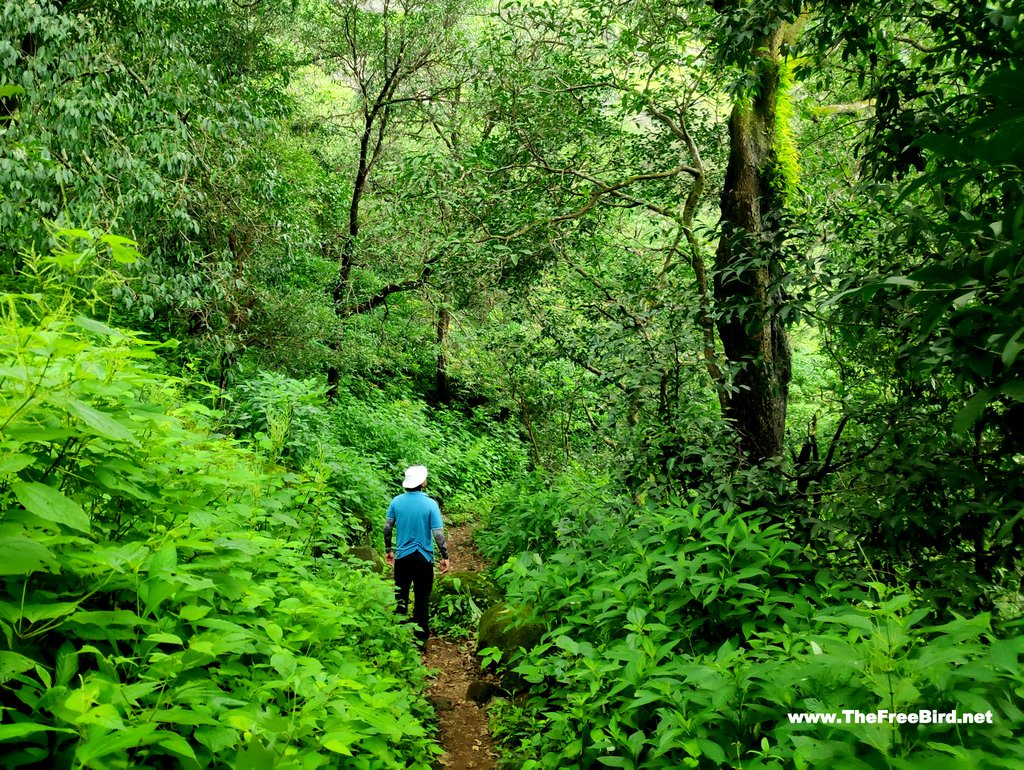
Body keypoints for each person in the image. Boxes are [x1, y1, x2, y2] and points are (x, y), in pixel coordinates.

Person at [384, 465, 450, 649]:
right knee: (422, 598)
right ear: (422, 483)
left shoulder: (396, 502)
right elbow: (438, 534)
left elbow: (387, 527)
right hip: (424, 559)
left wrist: (389, 550)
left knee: (401, 596)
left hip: (403, 558)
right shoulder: (431, 504)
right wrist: (445, 556)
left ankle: (399, 637)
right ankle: (420, 640)